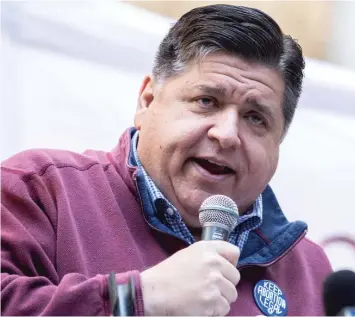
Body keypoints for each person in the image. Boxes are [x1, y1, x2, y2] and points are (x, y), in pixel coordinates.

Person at [1, 4, 332, 316]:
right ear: (147, 101)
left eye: (256, 118)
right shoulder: (39, 189)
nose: (227, 133)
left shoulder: (307, 269)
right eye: (207, 101)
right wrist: (137, 299)